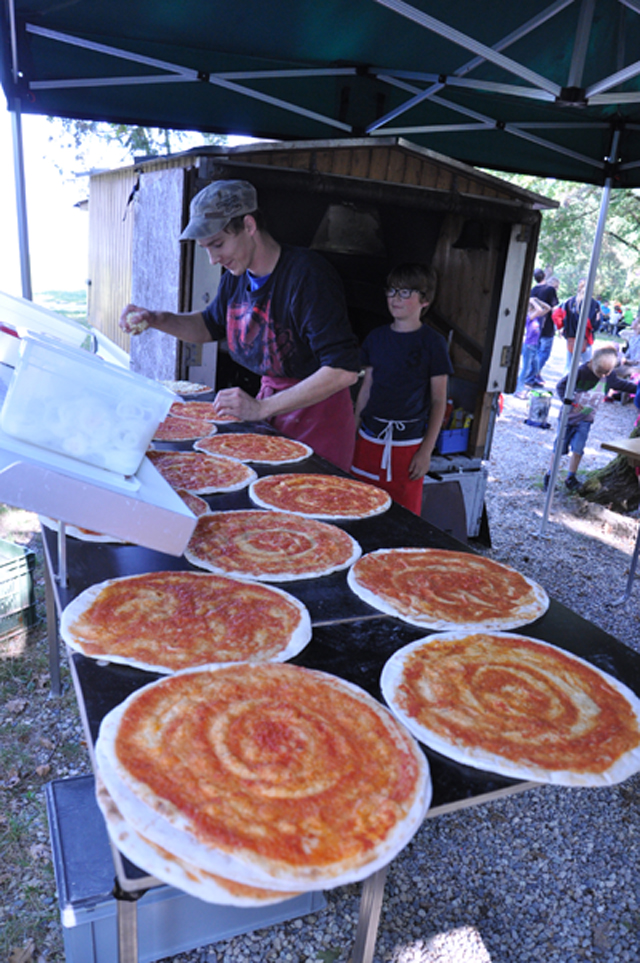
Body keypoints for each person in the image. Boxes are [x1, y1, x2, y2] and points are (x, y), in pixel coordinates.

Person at [120, 179, 361, 471]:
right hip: (272, 408)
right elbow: (208, 326)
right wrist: (156, 319)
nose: (212, 259)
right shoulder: (235, 279)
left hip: (319, 419)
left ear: (249, 225)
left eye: (218, 244)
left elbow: (343, 371)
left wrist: (261, 408)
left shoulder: (308, 277)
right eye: (205, 248)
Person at [350, 263, 453, 514]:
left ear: (425, 300)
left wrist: (426, 452)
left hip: (408, 447)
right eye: (392, 291)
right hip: (368, 439)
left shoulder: (433, 343)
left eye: (405, 292)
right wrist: (352, 430)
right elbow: (367, 388)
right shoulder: (375, 338)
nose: (395, 298)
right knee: (357, 507)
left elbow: (439, 401)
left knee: (403, 517)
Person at [543, 345, 632, 492]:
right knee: (559, 447)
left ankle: (571, 477)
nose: (603, 375)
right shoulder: (580, 372)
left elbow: (620, 384)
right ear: (591, 362)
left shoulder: (608, 375)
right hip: (568, 417)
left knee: (579, 448)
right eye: (600, 372)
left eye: (607, 372)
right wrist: (570, 402)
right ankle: (550, 475)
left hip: (586, 419)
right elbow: (561, 386)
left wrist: (637, 388)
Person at [557, 279, 601, 372]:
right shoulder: (593, 303)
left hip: (571, 336)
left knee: (569, 364)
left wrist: (563, 327)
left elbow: (557, 314)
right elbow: (592, 323)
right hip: (585, 337)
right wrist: (597, 322)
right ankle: (583, 381)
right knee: (587, 365)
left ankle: (566, 381)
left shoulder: (569, 301)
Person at [514, 296, 552, 398]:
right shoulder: (528, 318)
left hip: (535, 346)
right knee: (525, 369)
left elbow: (548, 308)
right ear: (530, 309)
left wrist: (538, 300)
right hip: (528, 346)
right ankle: (518, 390)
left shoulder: (536, 317)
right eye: (534, 308)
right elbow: (539, 310)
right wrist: (531, 301)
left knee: (536, 369)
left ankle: (518, 383)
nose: (537, 310)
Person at [530, 270, 559, 379]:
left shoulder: (533, 290)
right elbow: (554, 309)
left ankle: (535, 376)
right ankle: (531, 376)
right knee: (544, 353)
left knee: (536, 352)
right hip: (547, 325)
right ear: (545, 276)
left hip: (534, 324)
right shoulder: (550, 290)